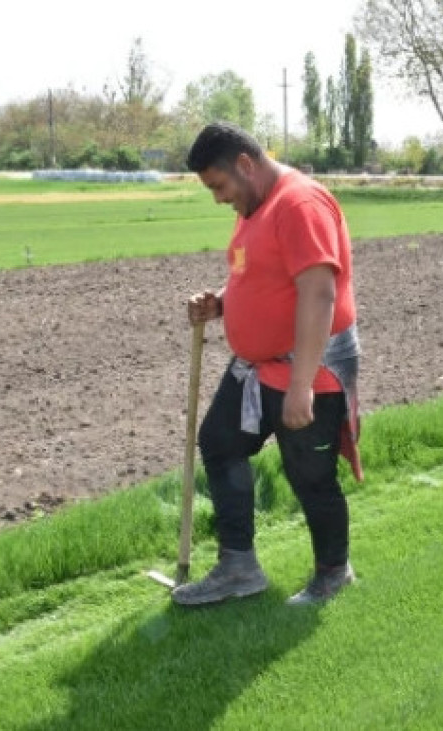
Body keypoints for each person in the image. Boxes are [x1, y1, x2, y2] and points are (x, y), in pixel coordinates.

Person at [173, 122, 362, 608]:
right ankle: (239, 566)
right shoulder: (255, 205)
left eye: (219, 186)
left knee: (310, 475)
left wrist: (302, 388)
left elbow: (320, 293)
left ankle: (333, 573)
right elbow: (255, 271)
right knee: (219, 442)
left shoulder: (299, 204)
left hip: (307, 367)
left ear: (245, 165)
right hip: (257, 368)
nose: (218, 199)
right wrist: (220, 301)